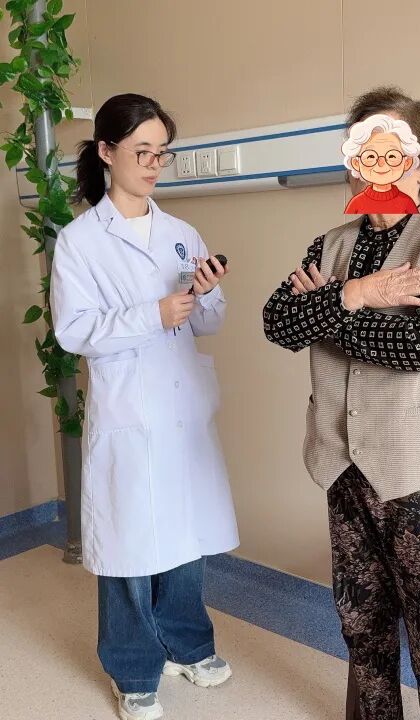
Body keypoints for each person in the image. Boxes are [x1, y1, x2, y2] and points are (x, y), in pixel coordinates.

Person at [263, 86, 420, 720]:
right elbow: (279, 322)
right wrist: (360, 294)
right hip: (343, 464)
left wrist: (328, 310)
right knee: (363, 627)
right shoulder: (331, 243)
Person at [51, 94, 239, 720]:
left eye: (162, 153)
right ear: (107, 152)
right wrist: (151, 314)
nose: (154, 164)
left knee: (184, 536)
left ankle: (188, 644)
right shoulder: (79, 242)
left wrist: (203, 294)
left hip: (181, 406)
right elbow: (74, 330)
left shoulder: (182, 235)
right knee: (129, 547)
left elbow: (206, 323)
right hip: (128, 411)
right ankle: (133, 670)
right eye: (142, 152)